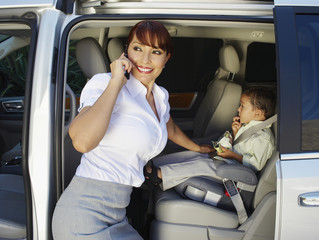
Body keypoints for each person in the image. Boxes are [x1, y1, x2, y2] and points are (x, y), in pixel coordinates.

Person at [52, 20, 212, 240]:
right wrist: (117, 81)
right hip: (84, 215)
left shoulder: (160, 95)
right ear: (126, 52)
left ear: (166, 58)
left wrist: (199, 148)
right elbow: (81, 141)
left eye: (155, 52)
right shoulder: (104, 83)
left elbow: (169, 127)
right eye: (138, 49)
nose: (145, 60)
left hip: (118, 214)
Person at [148, 86, 276, 191]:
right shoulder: (247, 126)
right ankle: (154, 164)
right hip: (227, 162)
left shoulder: (262, 137)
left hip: (235, 173)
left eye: (242, 106)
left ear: (257, 113)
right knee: (195, 155)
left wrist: (232, 155)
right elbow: (239, 146)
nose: (238, 109)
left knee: (202, 164)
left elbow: (255, 165)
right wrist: (235, 133)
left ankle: (159, 175)